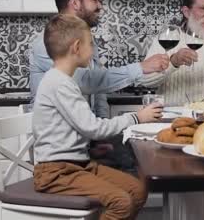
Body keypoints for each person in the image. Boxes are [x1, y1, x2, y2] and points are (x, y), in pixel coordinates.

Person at [33, 14, 163, 220]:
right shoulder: (59, 84)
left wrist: (89, 147)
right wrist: (136, 118)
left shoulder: (64, 81)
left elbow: (70, 130)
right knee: (121, 202)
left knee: (137, 190)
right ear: (76, 47)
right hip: (56, 173)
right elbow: (92, 127)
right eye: (91, 44)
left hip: (78, 165)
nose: (93, 50)